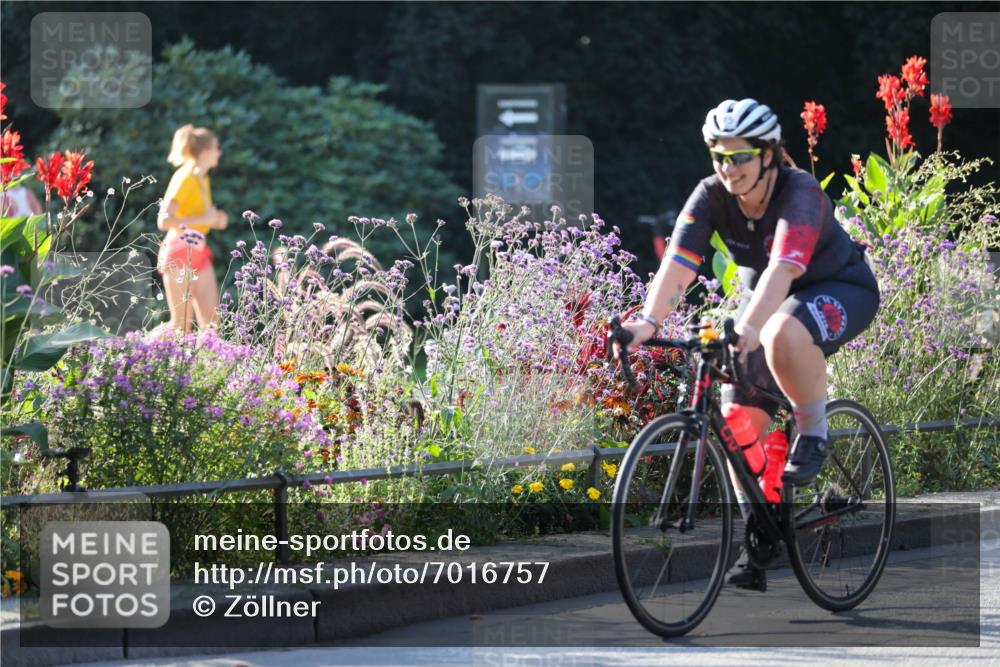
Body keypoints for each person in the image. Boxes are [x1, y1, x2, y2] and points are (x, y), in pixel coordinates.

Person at [615, 99, 880, 590]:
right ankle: (760, 534)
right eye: (719, 156)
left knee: (780, 330)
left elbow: (783, 270)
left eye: (739, 156)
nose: (728, 167)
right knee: (737, 422)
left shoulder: (797, 191)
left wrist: (747, 328)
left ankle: (814, 430)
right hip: (768, 301)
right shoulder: (711, 195)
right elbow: (678, 264)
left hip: (836, 288)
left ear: (768, 154)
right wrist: (647, 323)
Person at [156, 124, 227, 333]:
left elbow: (201, 217)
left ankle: (213, 366)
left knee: (212, 325)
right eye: (216, 147)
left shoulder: (202, 177)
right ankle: (138, 351)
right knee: (181, 328)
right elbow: (164, 220)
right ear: (205, 152)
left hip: (199, 251)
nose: (219, 152)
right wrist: (205, 217)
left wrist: (217, 220)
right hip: (178, 252)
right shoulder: (184, 177)